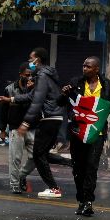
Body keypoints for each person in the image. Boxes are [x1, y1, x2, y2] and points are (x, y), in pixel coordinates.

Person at [60, 57, 110, 216]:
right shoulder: (75, 83)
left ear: (96, 69)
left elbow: (108, 108)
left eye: (88, 66)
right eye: (83, 66)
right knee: (78, 168)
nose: (84, 68)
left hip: (96, 133)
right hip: (77, 132)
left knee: (91, 167)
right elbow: (61, 103)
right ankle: (81, 200)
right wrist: (64, 94)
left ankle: (88, 201)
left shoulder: (106, 84)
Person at [19, 47, 72, 199]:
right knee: (42, 154)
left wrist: (26, 122)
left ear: (38, 60)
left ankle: (54, 188)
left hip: (48, 119)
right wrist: (11, 99)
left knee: (37, 155)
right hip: (55, 118)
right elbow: (31, 96)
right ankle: (71, 163)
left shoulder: (42, 76)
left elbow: (37, 100)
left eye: (31, 59)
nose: (30, 62)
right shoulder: (47, 75)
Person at [0, 64, 37, 194]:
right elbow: (4, 110)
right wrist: (2, 129)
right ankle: (14, 184)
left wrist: (31, 90)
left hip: (31, 127)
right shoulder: (9, 89)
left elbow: (33, 104)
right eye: (27, 75)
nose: (29, 77)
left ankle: (21, 176)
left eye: (31, 75)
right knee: (15, 158)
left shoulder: (35, 89)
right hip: (15, 127)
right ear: (20, 74)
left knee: (36, 157)